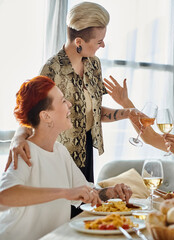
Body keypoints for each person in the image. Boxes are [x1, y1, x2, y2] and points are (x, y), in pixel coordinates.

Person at [7, 2, 134, 182]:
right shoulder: (52, 69)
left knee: (86, 206)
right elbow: (33, 111)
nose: (103, 45)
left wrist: (129, 113)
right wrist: (18, 137)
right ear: (79, 42)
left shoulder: (93, 64)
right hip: (58, 153)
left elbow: (94, 112)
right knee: (64, 208)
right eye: (99, 41)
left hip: (86, 148)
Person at [0, 76, 132, 240]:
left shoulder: (60, 151)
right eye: (62, 101)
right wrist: (64, 192)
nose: (69, 104)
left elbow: (87, 193)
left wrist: (111, 192)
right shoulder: (24, 152)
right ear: (46, 116)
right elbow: (4, 196)